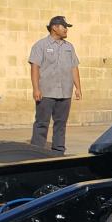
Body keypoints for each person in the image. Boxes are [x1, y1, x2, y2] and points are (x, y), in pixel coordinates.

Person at [29, 16, 81, 153]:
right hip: (46, 92)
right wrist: (36, 89)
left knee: (61, 124)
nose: (66, 30)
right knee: (42, 123)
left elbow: (74, 68)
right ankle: (36, 151)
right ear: (54, 27)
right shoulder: (40, 45)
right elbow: (35, 67)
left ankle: (58, 151)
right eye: (64, 27)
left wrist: (78, 88)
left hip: (65, 92)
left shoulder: (69, 47)